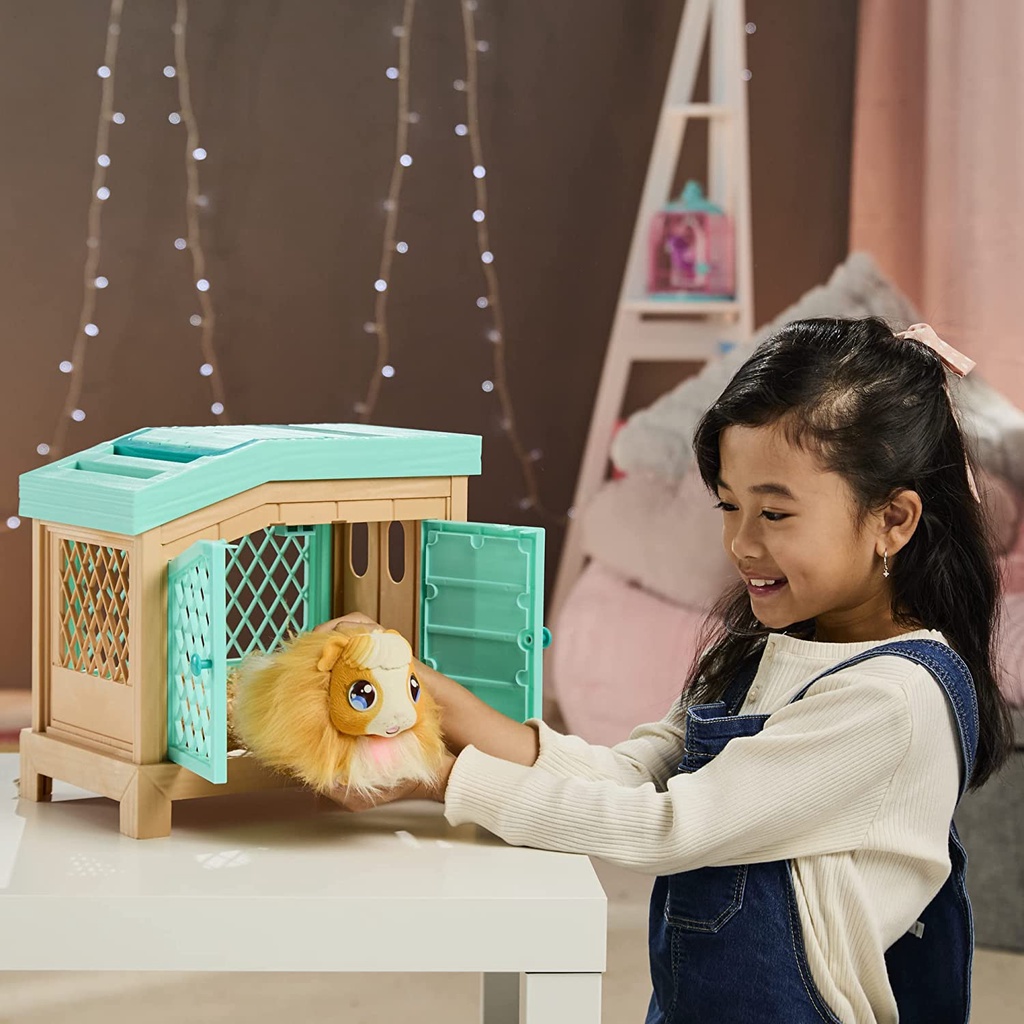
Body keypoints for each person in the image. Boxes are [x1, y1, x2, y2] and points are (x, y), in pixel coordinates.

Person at [318, 317, 1014, 1024]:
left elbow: (671, 827)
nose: (741, 543)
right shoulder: (767, 650)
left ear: (893, 520)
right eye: (730, 505)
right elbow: (629, 776)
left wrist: (438, 778)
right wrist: (424, 692)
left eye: (775, 513)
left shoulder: (891, 700)